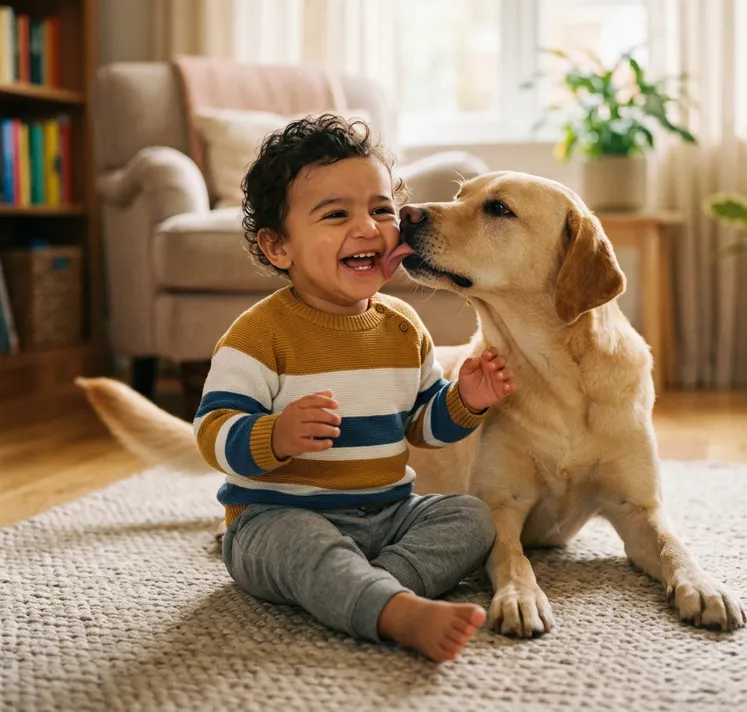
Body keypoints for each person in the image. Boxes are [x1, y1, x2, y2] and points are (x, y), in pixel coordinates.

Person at [194, 114, 515, 661]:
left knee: (471, 518)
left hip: (385, 516)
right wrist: (275, 435)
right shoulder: (258, 334)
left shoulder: (403, 326)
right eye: (336, 214)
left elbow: (421, 426)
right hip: (277, 518)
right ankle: (393, 610)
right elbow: (213, 432)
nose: (368, 228)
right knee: (300, 545)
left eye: (381, 209)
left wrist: (464, 401)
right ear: (279, 248)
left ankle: (369, 585)